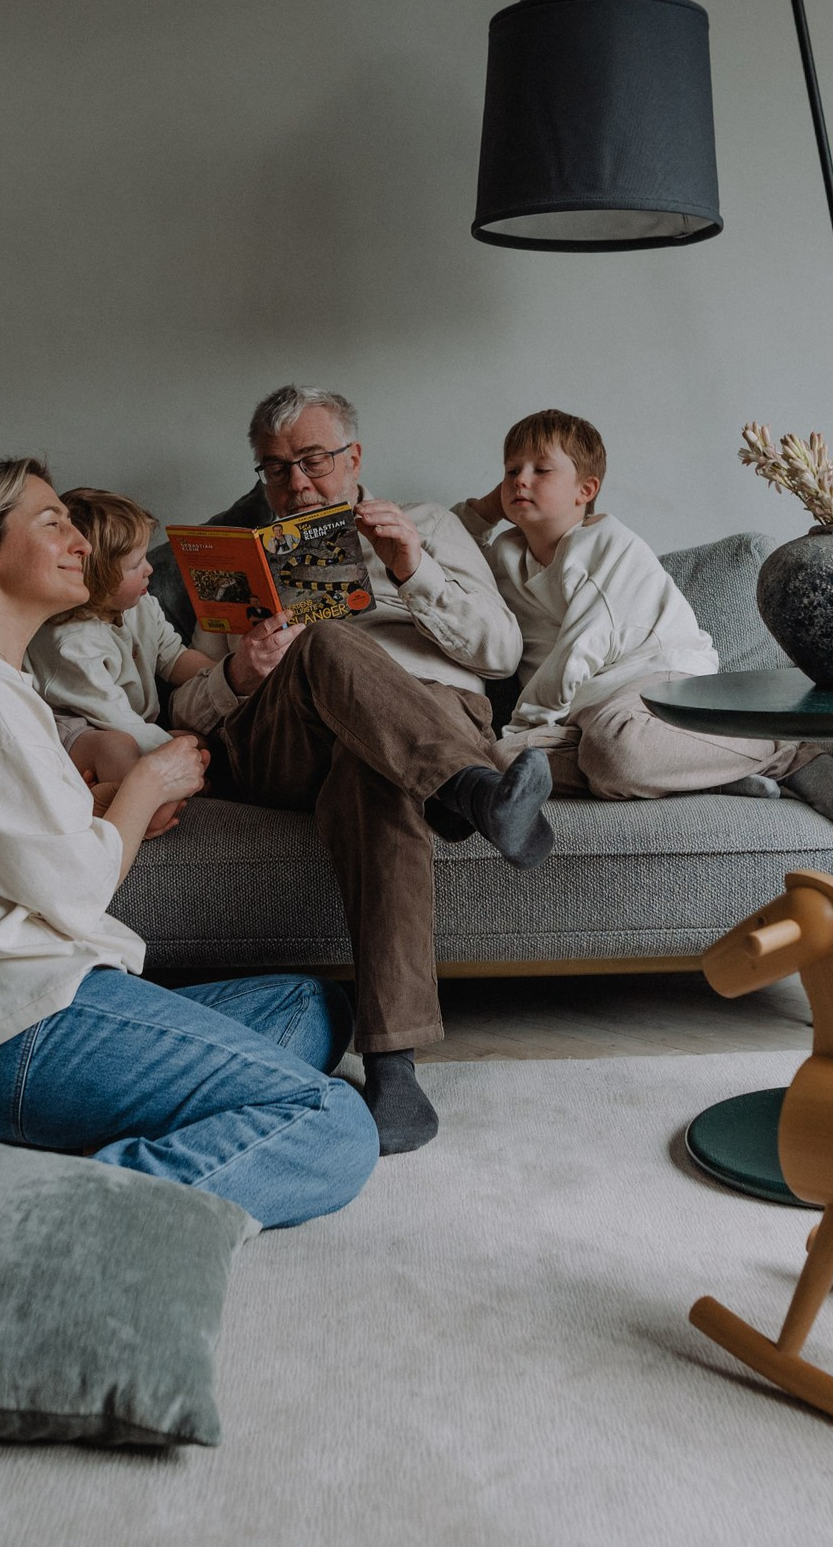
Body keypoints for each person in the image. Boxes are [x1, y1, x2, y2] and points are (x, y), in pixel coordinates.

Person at [0, 457, 377, 1228]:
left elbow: (6, 831)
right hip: (24, 1029)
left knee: (314, 1004)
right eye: (53, 523)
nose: (80, 541)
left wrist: (109, 801)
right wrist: (147, 783)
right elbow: (77, 889)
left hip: (58, 1003)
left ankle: (165, 1119)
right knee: (334, 1123)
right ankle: (45, 1217)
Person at [167, 385, 549, 1156]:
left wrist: (413, 569)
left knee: (375, 777)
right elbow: (187, 709)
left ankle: (393, 1066)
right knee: (325, 640)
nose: (296, 485)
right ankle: (471, 792)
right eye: (276, 471)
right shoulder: (235, 556)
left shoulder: (433, 527)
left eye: (312, 462)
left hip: (426, 718)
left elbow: (501, 654)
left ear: (355, 458)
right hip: (286, 741)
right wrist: (242, 670)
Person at [457, 409, 801, 800]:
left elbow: (579, 650)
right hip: (585, 712)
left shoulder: (604, 542)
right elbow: (445, 545)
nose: (520, 479)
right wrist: (486, 509)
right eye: (511, 470)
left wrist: (527, 727)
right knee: (500, 760)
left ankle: (775, 749)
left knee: (611, 749)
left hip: (654, 682)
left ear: (585, 490)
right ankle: (697, 772)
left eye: (542, 470)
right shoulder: (506, 555)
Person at [29, 487, 220, 794]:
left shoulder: (138, 605)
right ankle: (148, 802)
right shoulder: (72, 641)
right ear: (97, 575)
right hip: (83, 733)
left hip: (130, 724)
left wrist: (224, 676)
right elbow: (114, 719)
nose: (150, 569)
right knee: (119, 750)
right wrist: (178, 755)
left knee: (196, 740)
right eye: (135, 565)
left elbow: (174, 658)